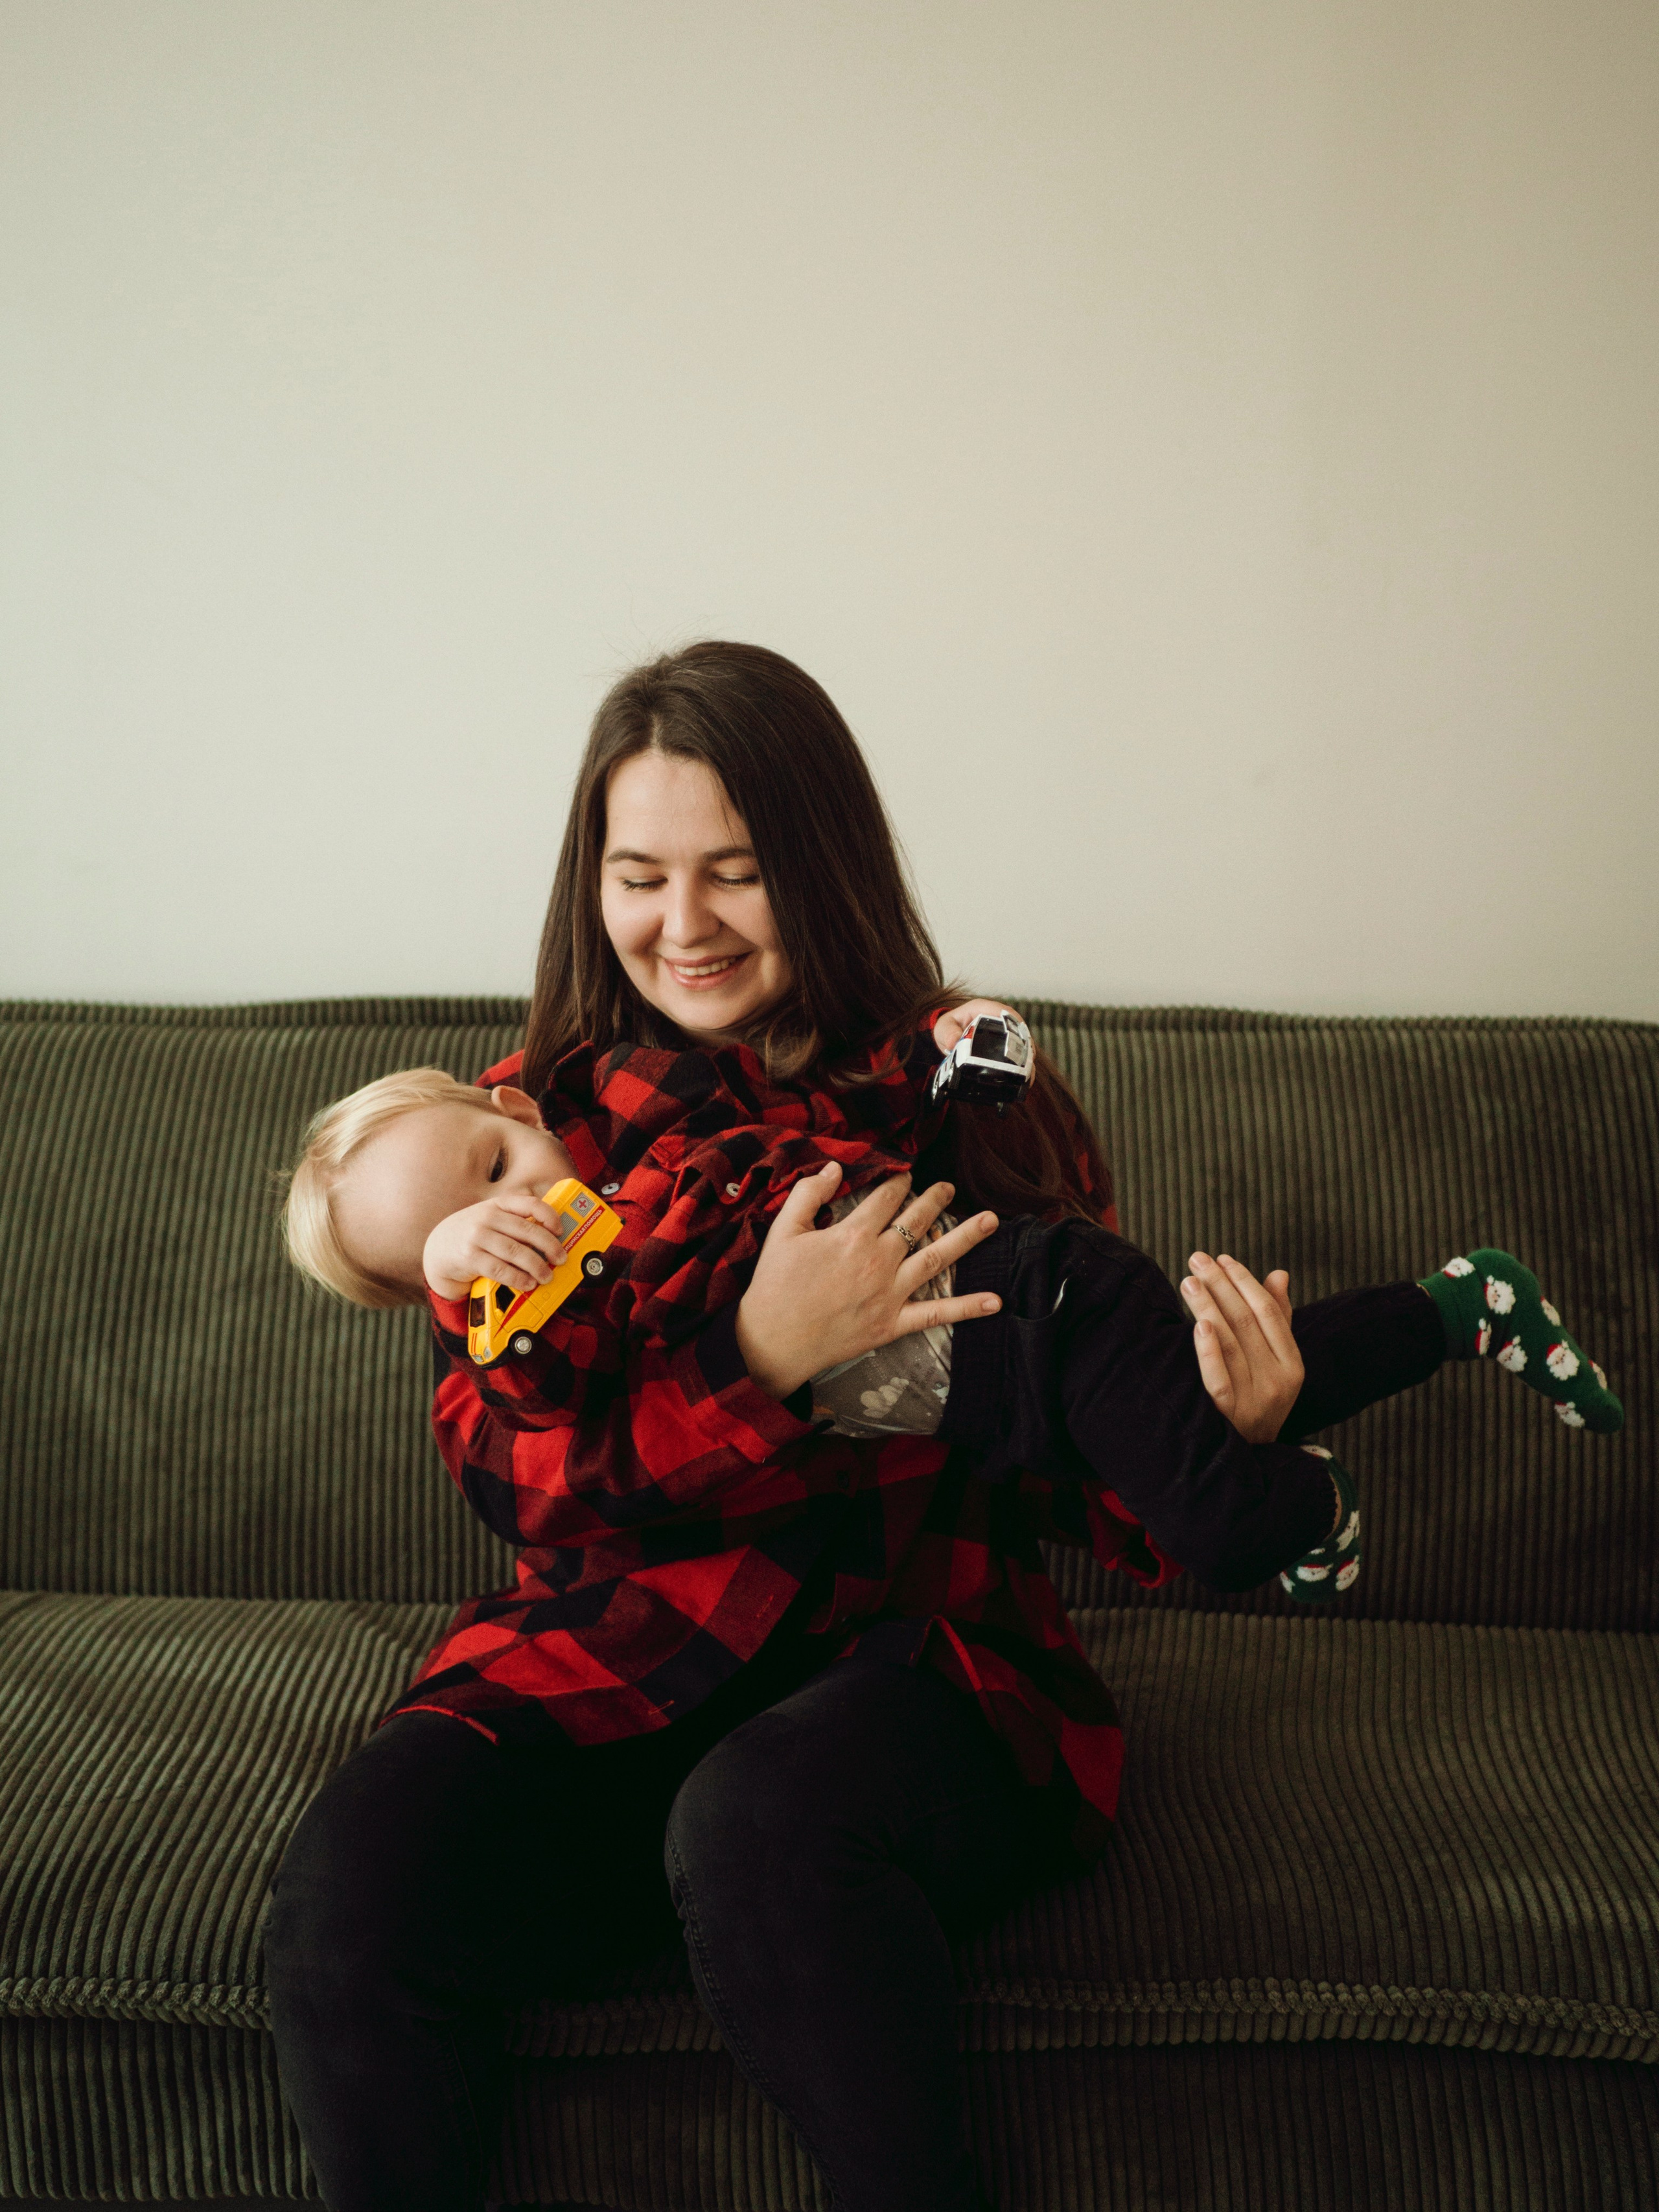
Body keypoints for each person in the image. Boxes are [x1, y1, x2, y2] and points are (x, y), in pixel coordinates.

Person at [262, 642, 1621, 2212]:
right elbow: (521, 1478)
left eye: (737, 872)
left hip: (914, 1655)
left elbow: (1075, 1458)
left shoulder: (968, 1093)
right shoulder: (506, 1133)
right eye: (638, 876)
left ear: (820, 868)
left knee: (757, 1824)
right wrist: (763, 1359)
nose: (681, 925)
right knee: (349, 1899)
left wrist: (1225, 1427)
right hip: (625, 1649)